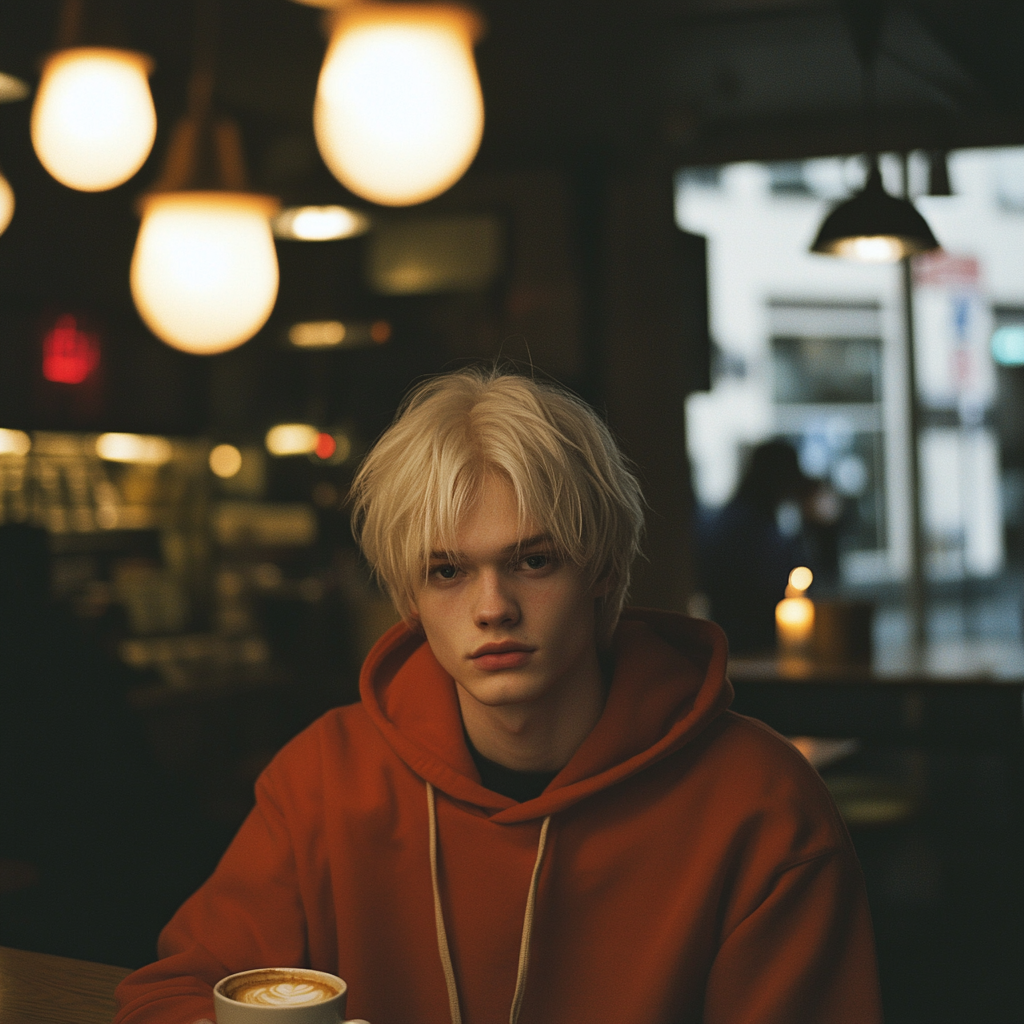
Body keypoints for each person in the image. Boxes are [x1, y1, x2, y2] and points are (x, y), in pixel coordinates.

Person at [114, 369, 882, 1024]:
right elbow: (168, 995)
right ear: (410, 599)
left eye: (534, 561)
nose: (492, 607)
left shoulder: (765, 806)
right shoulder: (324, 778)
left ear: (604, 575)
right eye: (447, 571)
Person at [697, 438, 820, 655]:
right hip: (749, 647)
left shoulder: (742, 519)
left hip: (738, 642)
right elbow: (782, 582)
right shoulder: (749, 526)